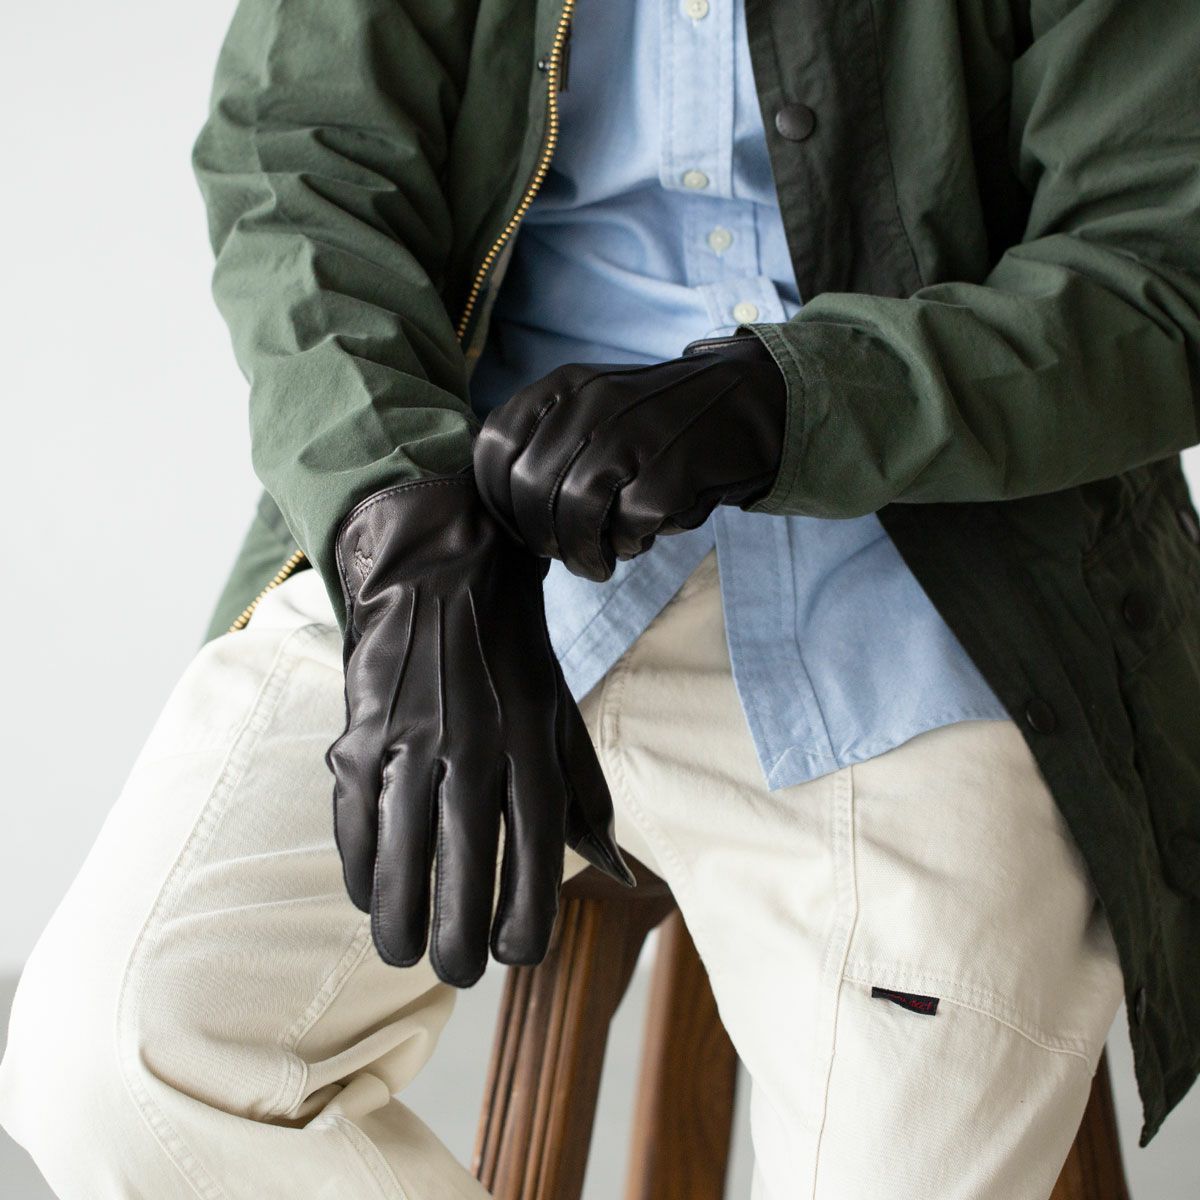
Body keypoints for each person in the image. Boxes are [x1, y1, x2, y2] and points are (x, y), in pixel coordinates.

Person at [2, 0, 1199, 1195]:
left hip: (934, 564)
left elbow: (1158, 266)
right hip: (466, 527)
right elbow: (300, 159)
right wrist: (395, 520)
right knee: (113, 1060)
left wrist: (782, 402)